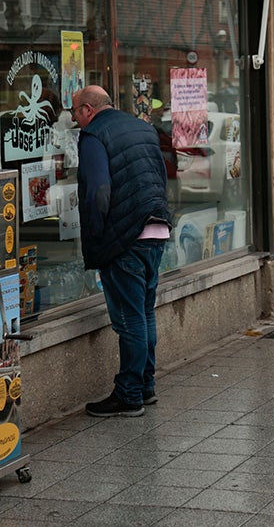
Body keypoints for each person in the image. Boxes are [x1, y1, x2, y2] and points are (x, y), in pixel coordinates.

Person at [72, 85, 172, 417]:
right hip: (156, 229)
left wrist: (98, 237)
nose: (74, 119)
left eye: (75, 112)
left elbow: (99, 191)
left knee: (129, 318)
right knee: (144, 312)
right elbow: (161, 176)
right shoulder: (143, 128)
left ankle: (129, 394)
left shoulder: (94, 136)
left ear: (88, 109)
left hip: (125, 239)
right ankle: (146, 386)